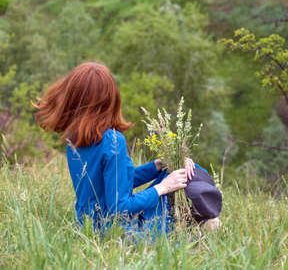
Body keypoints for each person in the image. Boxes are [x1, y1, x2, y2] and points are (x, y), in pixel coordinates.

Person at [32, 62, 202, 236]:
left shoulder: (74, 140)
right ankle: (201, 226)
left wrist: (156, 166)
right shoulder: (112, 141)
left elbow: (113, 184)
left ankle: (197, 224)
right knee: (189, 173)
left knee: (172, 170)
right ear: (110, 99)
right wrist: (162, 188)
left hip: (90, 227)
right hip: (121, 233)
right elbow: (120, 207)